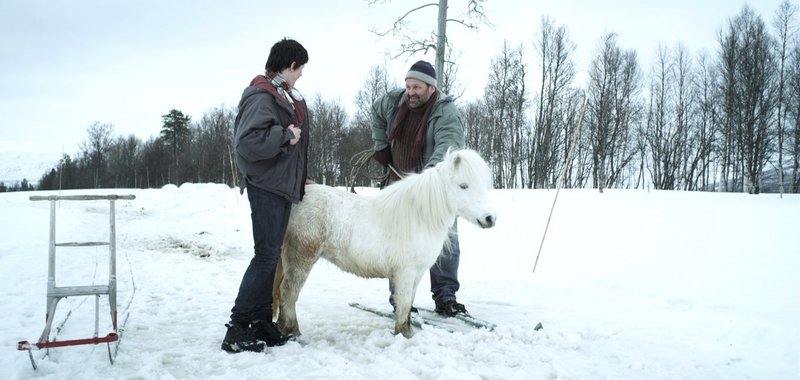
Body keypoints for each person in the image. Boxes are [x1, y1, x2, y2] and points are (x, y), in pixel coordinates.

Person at [221, 38, 310, 353]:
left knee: (270, 257)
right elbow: (247, 143)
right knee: (265, 257)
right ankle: (238, 326)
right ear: (291, 65)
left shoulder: (281, 94)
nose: (301, 76)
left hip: (281, 186)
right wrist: (286, 135)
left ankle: (260, 322)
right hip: (267, 186)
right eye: (300, 70)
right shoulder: (262, 95)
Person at [370, 60, 468, 316]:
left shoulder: (445, 112)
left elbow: (448, 149)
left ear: (431, 88)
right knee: (399, 242)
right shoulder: (394, 100)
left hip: (434, 189)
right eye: (408, 86)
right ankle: (400, 298)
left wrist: (427, 183)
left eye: (416, 87)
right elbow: (377, 113)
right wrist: (381, 145)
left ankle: (446, 296)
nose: (410, 92)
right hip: (399, 184)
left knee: (444, 241)